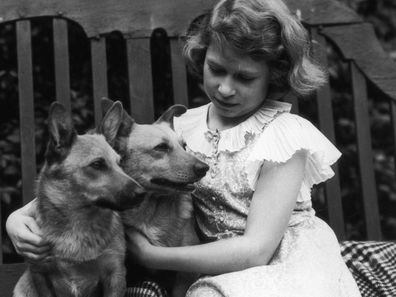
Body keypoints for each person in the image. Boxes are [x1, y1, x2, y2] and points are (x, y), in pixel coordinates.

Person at [6, 0, 361, 296]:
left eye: (244, 78)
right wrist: (16, 218)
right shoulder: (183, 128)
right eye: (216, 69)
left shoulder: (284, 136)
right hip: (206, 264)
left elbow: (256, 251)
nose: (224, 88)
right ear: (201, 56)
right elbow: (91, 173)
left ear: (276, 76)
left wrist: (151, 256)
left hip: (281, 260)